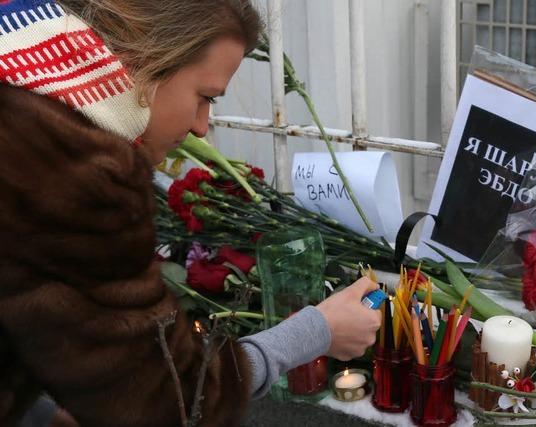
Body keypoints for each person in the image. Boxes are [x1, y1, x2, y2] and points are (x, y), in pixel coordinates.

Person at [0, 0, 381, 426]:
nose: (202, 126)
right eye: (205, 97)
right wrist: (317, 331)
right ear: (147, 61)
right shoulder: (70, 170)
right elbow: (176, 405)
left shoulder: (20, 109)